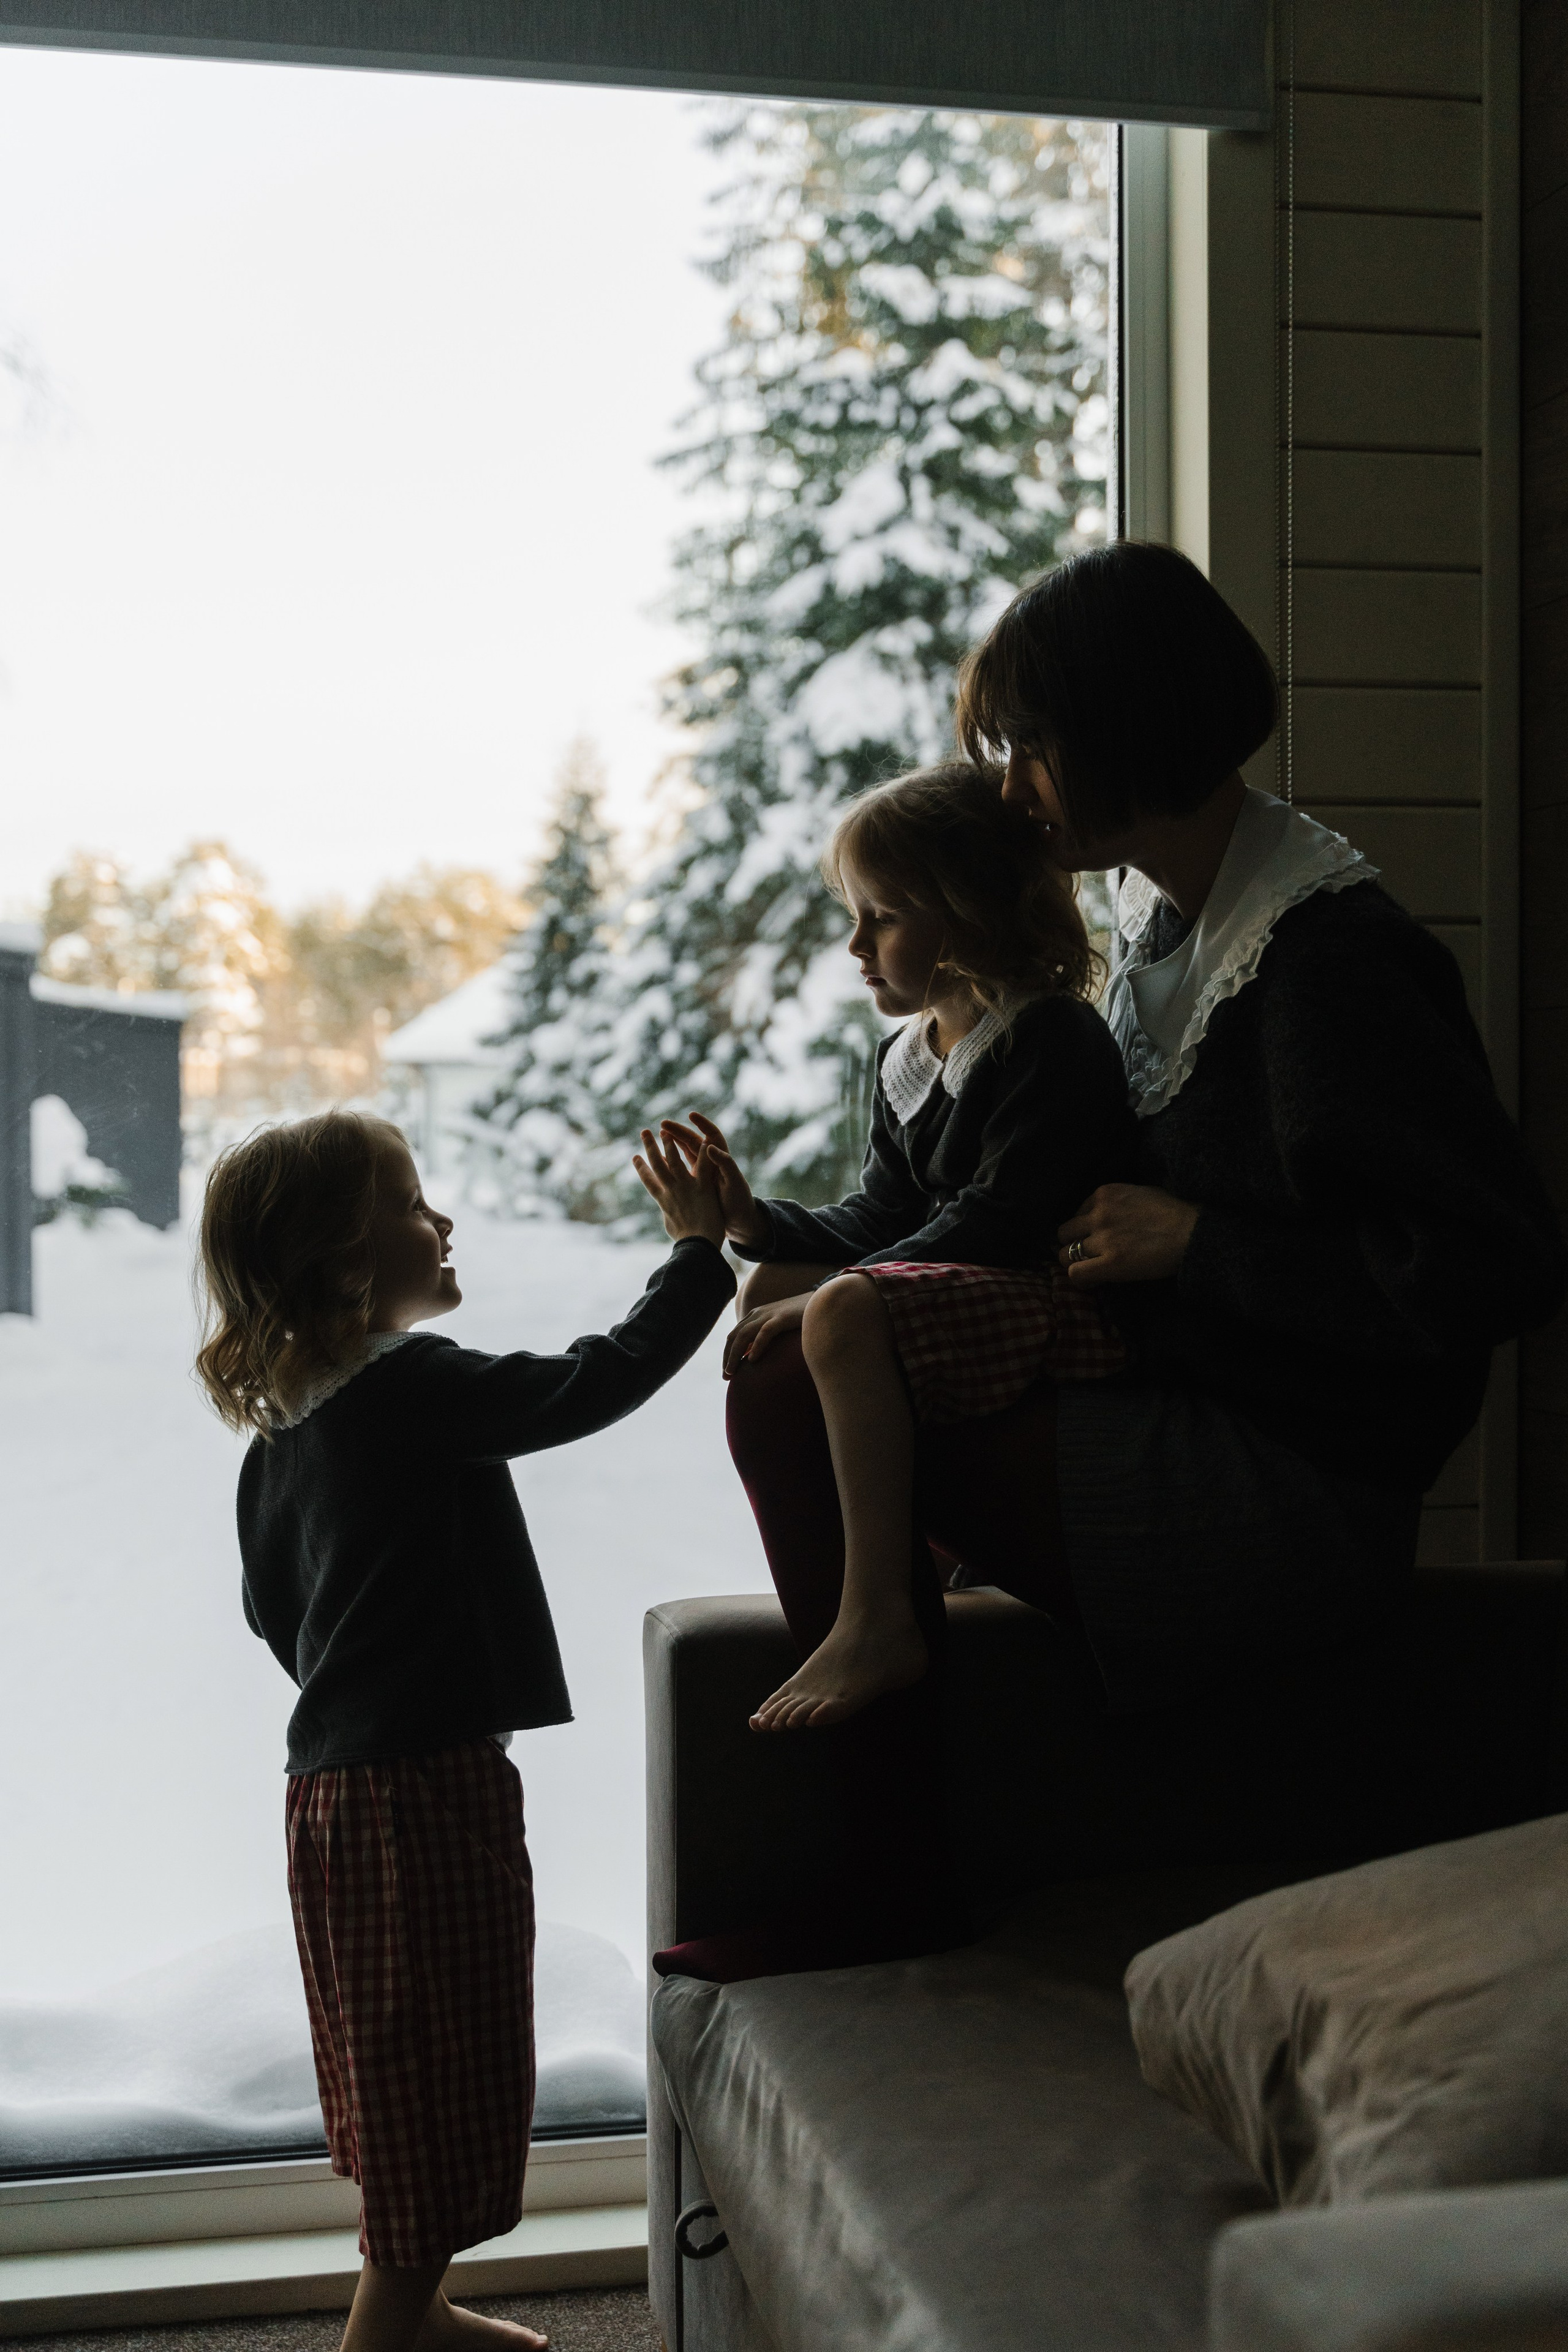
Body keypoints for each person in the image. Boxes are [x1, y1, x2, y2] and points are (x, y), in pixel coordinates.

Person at [662, 540, 1565, 1985]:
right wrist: (767, 1245)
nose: (1010, 786)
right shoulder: (1163, 939)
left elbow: (1487, 1274)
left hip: (1289, 1488)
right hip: (1174, 1407)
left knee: (794, 1386)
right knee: (807, 1344)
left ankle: (888, 1871)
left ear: (1120, 729)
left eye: (1027, 745)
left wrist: (1201, 1246)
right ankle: (891, 1784)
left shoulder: (1323, 962)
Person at [195, 1110, 730, 2352]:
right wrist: (698, 1255)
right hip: (421, 1787)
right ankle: (385, 2330)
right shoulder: (408, 1391)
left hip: (329, 1792)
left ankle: (416, 2308)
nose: (441, 1222)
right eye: (412, 1202)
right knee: (447, 2060)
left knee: (397, 2061)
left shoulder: (284, 1437)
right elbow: (590, 1383)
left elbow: (271, 1613)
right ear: (342, 1259)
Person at [661, 761, 1136, 1734]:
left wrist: (853, 1293)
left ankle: (880, 1610)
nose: (855, 944)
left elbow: (1002, 1222)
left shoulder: (1049, 1039)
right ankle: (881, 1564)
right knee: (774, 1289)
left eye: (880, 916)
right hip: (963, 1299)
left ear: (963, 914)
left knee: (833, 1307)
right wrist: (753, 1223)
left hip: (1063, 1309)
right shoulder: (909, 1058)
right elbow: (879, 1217)